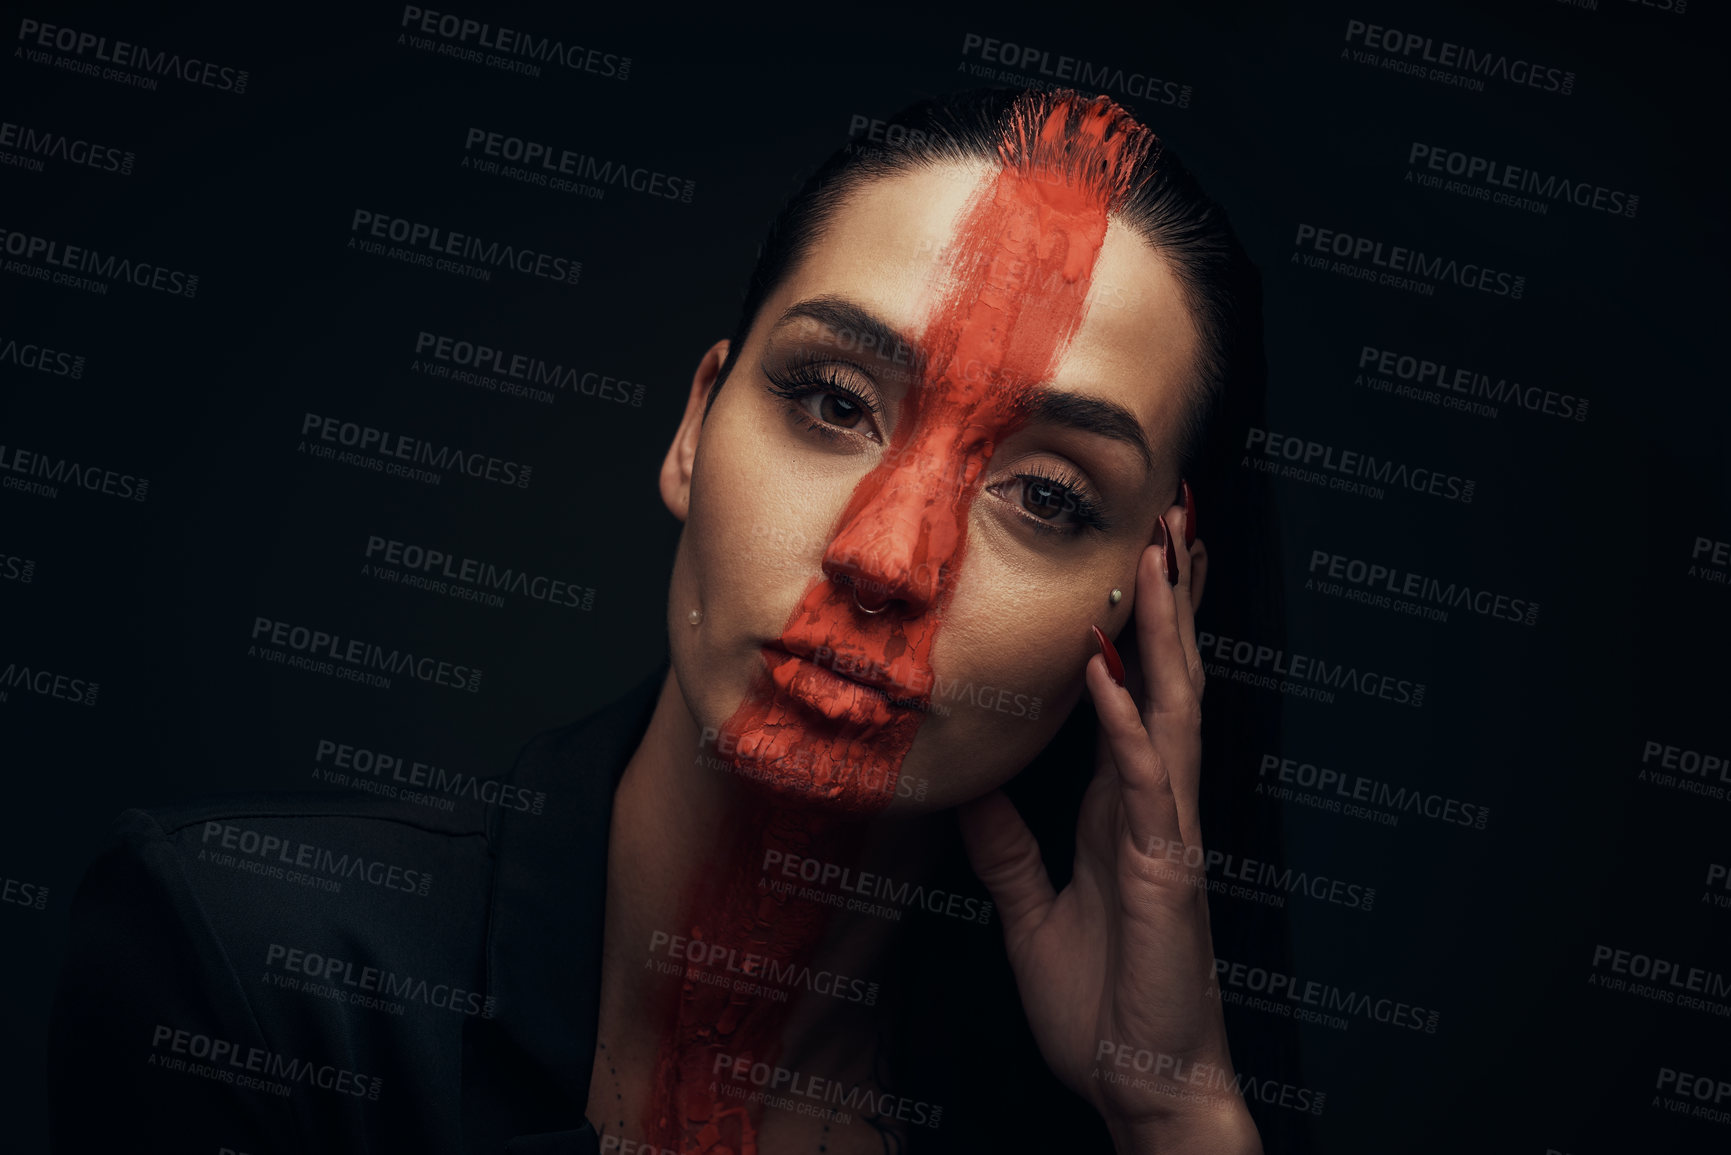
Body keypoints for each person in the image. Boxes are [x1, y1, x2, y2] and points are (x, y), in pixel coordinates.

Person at [49, 87, 1291, 1155]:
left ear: (1148, 597)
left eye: (1046, 496)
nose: (883, 558)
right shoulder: (261, 982)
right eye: (832, 400)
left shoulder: (1080, 1116)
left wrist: (1177, 1125)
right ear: (697, 430)